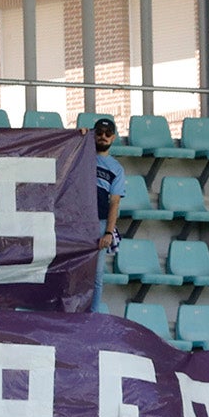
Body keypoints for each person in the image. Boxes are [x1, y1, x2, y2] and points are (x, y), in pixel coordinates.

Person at [91, 116, 125, 312]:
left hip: (100, 222)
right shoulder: (81, 154)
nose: (103, 137)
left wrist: (108, 232)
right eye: (99, 133)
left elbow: (115, 202)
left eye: (108, 134)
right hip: (77, 222)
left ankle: (92, 314)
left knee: (96, 274)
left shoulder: (116, 169)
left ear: (113, 138)